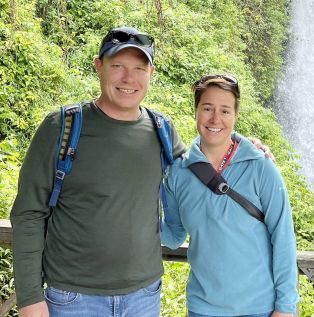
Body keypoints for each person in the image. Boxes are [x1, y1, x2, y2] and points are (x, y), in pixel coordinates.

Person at [10, 26, 274, 317]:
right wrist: (30, 298)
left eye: (139, 68)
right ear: (99, 66)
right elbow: (28, 214)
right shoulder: (61, 127)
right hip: (73, 298)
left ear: (151, 73)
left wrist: (243, 149)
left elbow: (202, 169)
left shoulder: (161, 130)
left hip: (144, 297)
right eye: (118, 66)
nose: (129, 78)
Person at [160, 74, 299, 317]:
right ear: (196, 111)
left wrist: (285, 307)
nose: (215, 119)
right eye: (207, 108)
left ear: (235, 115)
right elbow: (173, 236)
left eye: (225, 111)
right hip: (203, 308)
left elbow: (283, 236)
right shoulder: (177, 173)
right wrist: (130, 206)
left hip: (260, 308)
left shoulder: (260, 167)